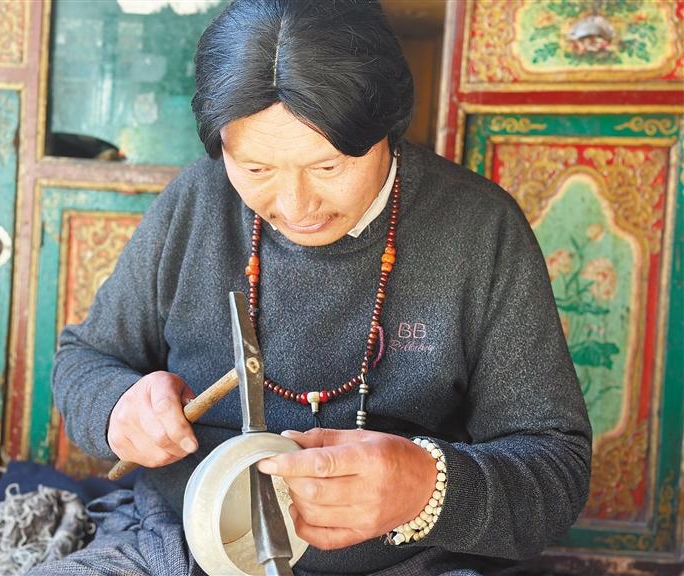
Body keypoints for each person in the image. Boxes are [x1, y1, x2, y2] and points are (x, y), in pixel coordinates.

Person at [30, 1, 591, 574]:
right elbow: (85, 359)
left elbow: (556, 471)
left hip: (402, 564)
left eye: (328, 168)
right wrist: (118, 408)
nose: (296, 207)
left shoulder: (480, 228)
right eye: (257, 170)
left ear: (386, 127)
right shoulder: (196, 202)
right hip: (172, 547)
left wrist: (424, 487)